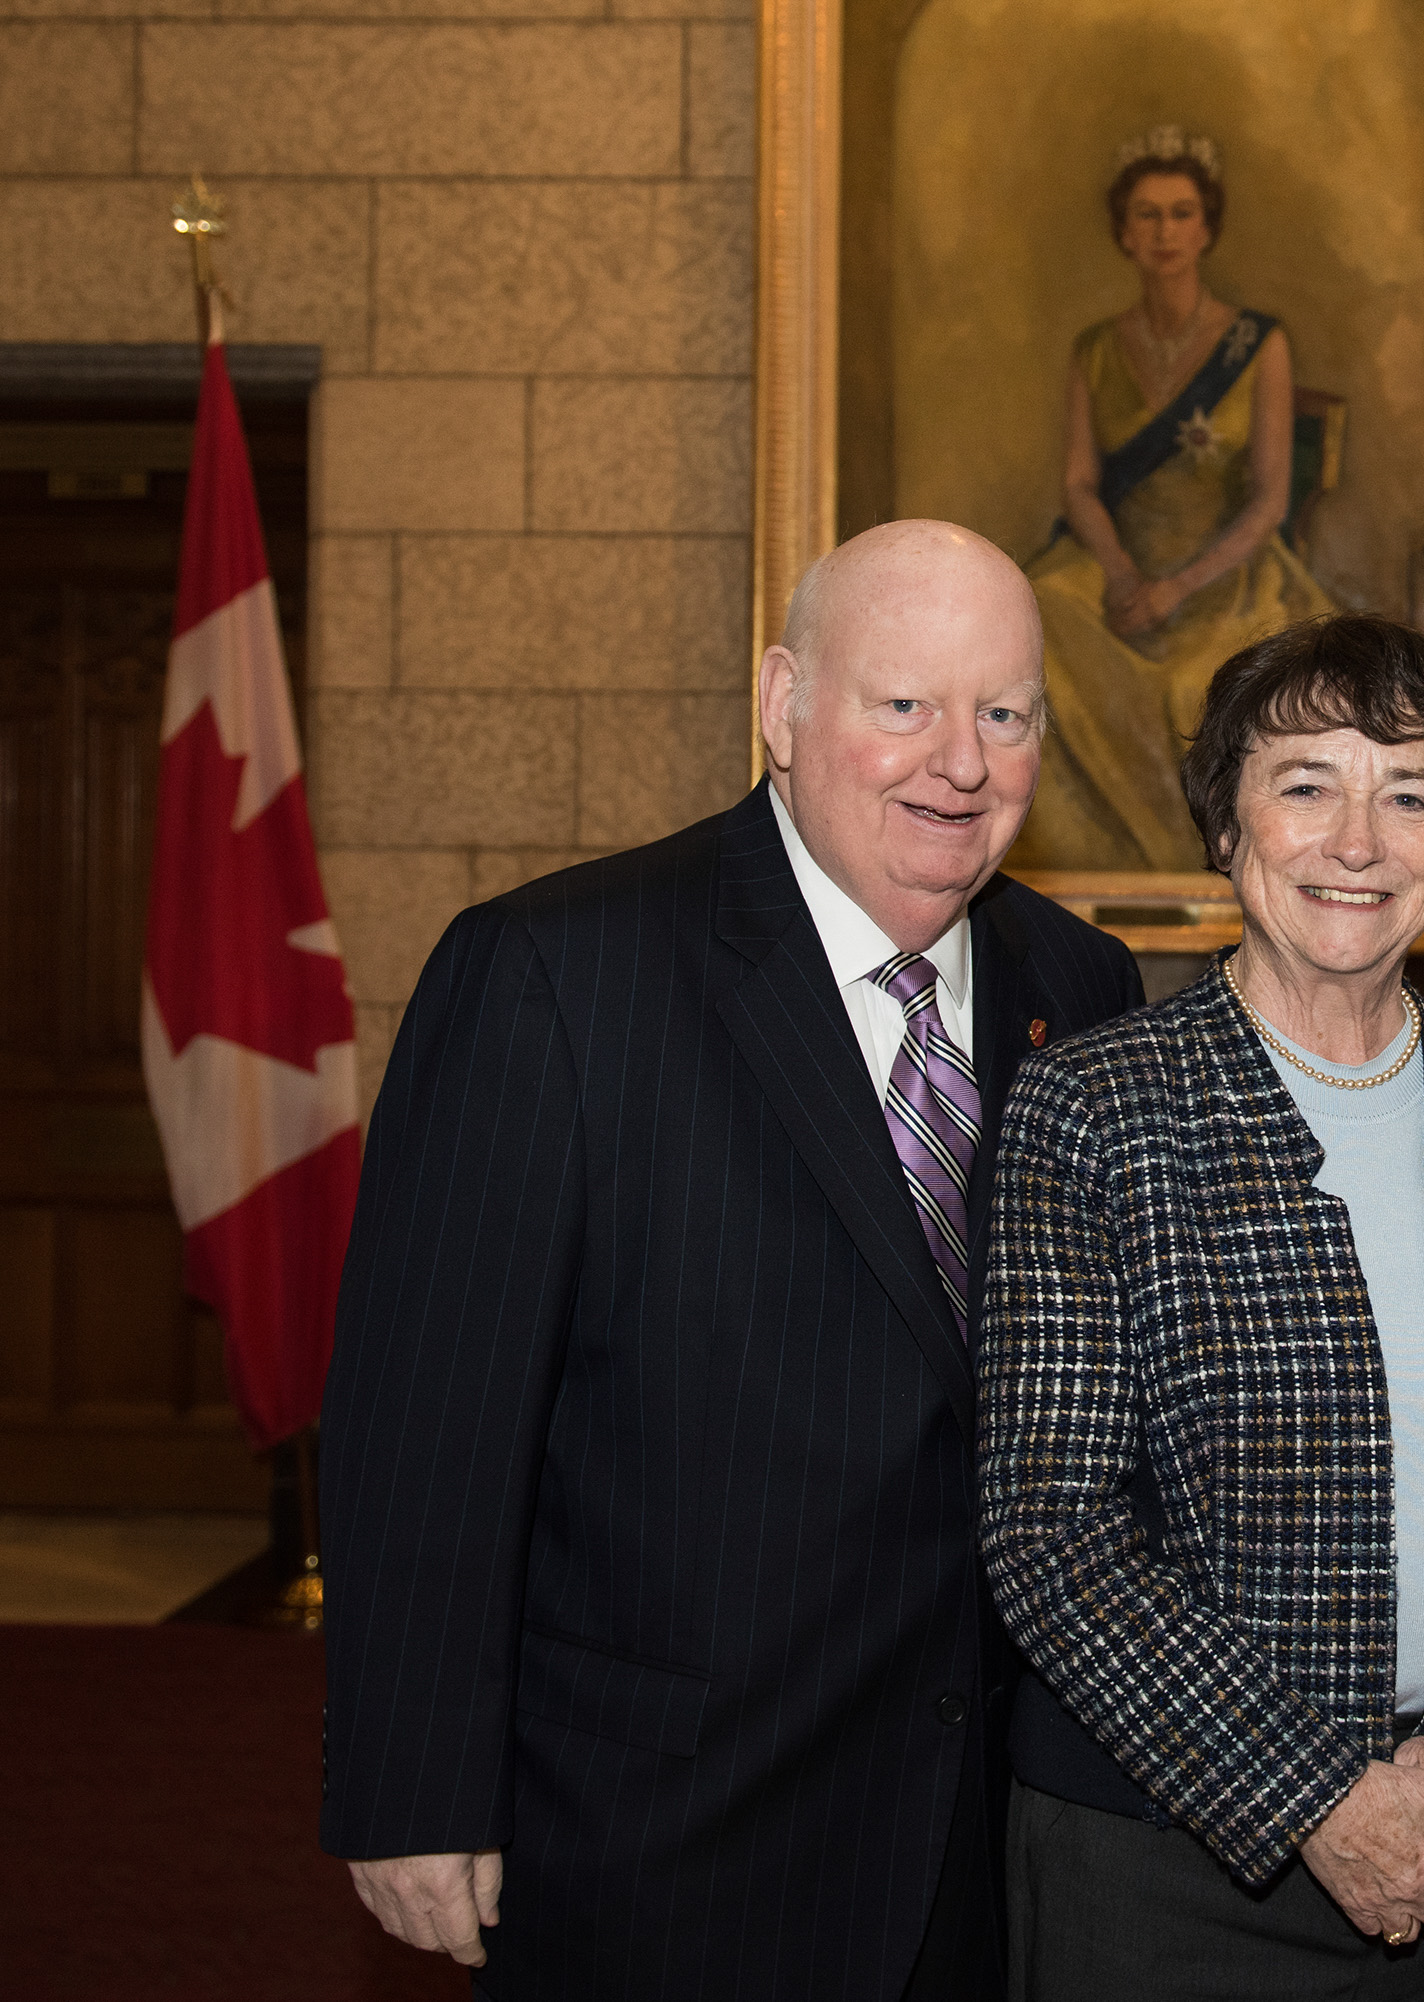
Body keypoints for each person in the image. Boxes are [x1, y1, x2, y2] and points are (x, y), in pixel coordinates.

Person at [318, 520, 1145, 2000]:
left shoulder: (1080, 987)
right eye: (902, 705)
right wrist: (414, 1780)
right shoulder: (556, 974)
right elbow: (427, 1419)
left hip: (990, 1836)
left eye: (1004, 714)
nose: (959, 760)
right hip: (664, 1828)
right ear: (780, 703)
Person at [979, 613, 1424, 1998]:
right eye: (1305, 783)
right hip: (1163, 1862)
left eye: (1407, 792)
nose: (1357, 839)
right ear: (1226, 829)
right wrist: (1319, 1799)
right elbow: (1050, 1526)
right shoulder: (1095, 1107)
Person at [1011, 125, 1336, 875]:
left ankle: (1200, 860)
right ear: (1124, 233)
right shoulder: (1096, 348)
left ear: (1207, 227)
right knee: (1036, 617)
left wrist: (1177, 588)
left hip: (1229, 571)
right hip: (1116, 563)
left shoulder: (1258, 344)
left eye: (1182, 213)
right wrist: (1124, 576)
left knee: (1206, 682)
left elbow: (1267, 502)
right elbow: (1079, 484)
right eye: (1148, 215)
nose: (1165, 232)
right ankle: (1096, 854)